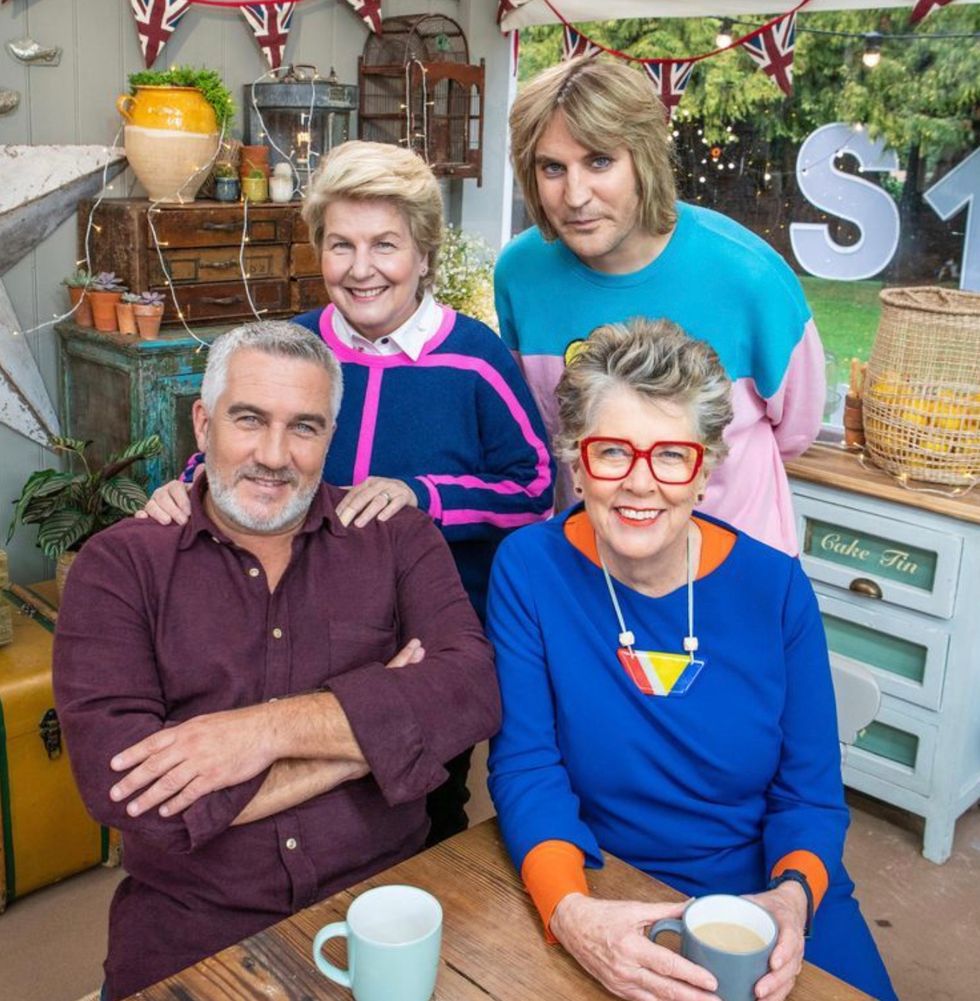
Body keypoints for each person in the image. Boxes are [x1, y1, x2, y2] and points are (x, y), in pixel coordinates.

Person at [54, 321, 500, 1001]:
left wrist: (259, 732)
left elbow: (470, 692)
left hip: (386, 907)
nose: (273, 454)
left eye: (304, 427)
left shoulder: (397, 536)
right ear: (203, 423)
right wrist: (374, 738)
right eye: (249, 419)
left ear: (330, 437)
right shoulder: (119, 567)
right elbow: (132, 796)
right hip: (191, 925)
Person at [141, 141, 554, 843]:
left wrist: (424, 494)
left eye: (385, 245)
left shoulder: (474, 358)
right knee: (307, 806)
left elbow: (537, 488)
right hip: (303, 627)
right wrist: (184, 487)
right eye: (341, 245)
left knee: (423, 804)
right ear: (319, 251)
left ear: (424, 254)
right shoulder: (294, 345)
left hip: (426, 640)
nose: (361, 269)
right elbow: (231, 451)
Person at [486, 318, 896, 1001]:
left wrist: (793, 898)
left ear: (705, 468)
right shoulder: (530, 569)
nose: (640, 484)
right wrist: (571, 910)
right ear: (574, 459)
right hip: (603, 877)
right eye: (612, 451)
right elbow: (527, 766)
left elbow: (810, 793)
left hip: (770, 886)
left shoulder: (774, 586)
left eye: (671, 455)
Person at [496, 56, 826, 554]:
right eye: (552, 168)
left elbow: (796, 431)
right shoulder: (520, 274)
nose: (576, 195)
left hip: (732, 566)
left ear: (644, 159)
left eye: (600, 161)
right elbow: (545, 431)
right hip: (588, 569)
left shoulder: (751, 276)